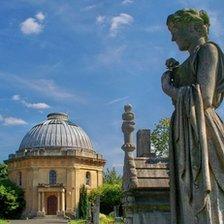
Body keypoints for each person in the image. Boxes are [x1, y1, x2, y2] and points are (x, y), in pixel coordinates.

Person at [161, 9, 224, 224]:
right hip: (185, 129)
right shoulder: (188, 60)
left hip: (202, 129)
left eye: (175, 30)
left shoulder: (209, 51)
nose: (172, 37)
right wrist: (175, 75)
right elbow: (187, 92)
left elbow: (205, 98)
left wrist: (169, 89)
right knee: (187, 189)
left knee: (203, 187)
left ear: (194, 27)